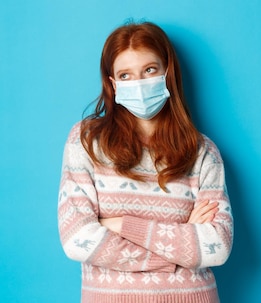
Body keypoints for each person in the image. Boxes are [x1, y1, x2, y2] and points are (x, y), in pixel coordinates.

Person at [58, 21, 233, 303]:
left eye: (149, 70)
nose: (138, 83)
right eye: (125, 75)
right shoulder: (86, 141)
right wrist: (179, 249)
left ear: (167, 73)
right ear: (113, 84)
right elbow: (77, 239)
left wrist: (120, 224)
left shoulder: (203, 152)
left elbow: (216, 246)